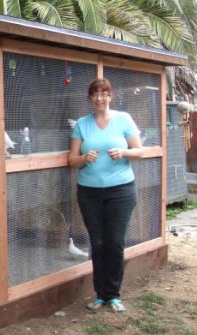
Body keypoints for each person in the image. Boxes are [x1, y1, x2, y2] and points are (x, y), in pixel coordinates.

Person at [68, 78, 143, 313]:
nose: (100, 98)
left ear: (111, 96)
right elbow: (71, 160)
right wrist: (83, 159)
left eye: (104, 93)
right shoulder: (81, 124)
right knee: (98, 243)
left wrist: (124, 152)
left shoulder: (124, 119)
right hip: (89, 192)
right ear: (90, 98)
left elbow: (140, 151)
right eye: (95, 94)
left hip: (121, 191)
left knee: (115, 243)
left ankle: (114, 294)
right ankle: (100, 295)